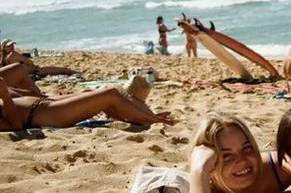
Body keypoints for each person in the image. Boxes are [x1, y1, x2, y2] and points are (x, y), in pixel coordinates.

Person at [0, 77, 175, 131]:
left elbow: (21, 96)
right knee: (110, 95)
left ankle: (140, 119)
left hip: (45, 103)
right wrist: (5, 95)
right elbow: (15, 126)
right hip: (46, 115)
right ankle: (153, 120)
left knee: (99, 96)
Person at [0, 40, 76, 78]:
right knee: (63, 70)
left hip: (29, 74)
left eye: (12, 45)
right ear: (4, 47)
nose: (12, 47)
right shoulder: (13, 54)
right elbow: (30, 62)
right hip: (36, 71)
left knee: (60, 71)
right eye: (9, 46)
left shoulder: (3, 58)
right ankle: (77, 73)